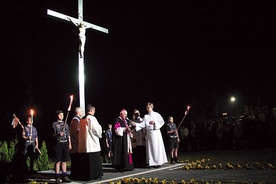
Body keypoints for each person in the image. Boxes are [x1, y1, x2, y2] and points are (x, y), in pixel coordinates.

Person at [131, 102, 168, 168]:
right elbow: (142, 124)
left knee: (156, 148)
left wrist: (155, 123)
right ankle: (151, 163)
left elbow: (162, 122)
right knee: (150, 148)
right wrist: (135, 124)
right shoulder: (146, 116)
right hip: (149, 133)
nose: (147, 109)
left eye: (148, 108)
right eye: (147, 108)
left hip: (156, 132)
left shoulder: (157, 114)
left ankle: (158, 162)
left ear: (151, 107)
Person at [78, 104, 103, 180]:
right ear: (91, 110)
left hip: (84, 144)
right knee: (93, 160)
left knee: (86, 161)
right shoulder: (91, 118)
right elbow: (96, 129)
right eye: (94, 110)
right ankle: (95, 174)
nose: (94, 112)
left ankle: (86, 175)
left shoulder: (82, 119)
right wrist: (100, 133)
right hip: (92, 143)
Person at [52, 110, 72, 183]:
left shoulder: (65, 124)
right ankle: (57, 176)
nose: (62, 116)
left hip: (65, 143)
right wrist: (58, 134)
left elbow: (68, 134)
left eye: (62, 115)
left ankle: (64, 176)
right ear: (57, 115)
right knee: (58, 161)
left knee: (64, 160)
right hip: (58, 143)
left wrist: (70, 143)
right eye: (60, 115)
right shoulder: (54, 124)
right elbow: (52, 135)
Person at [69, 107, 83, 180]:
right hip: (76, 143)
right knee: (76, 160)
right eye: (81, 111)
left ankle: (78, 174)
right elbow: (76, 132)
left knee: (78, 160)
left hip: (78, 143)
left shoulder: (78, 120)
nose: (82, 112)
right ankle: (75, 175)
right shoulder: (75, 120)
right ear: (77, 112)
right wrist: (81, 140)